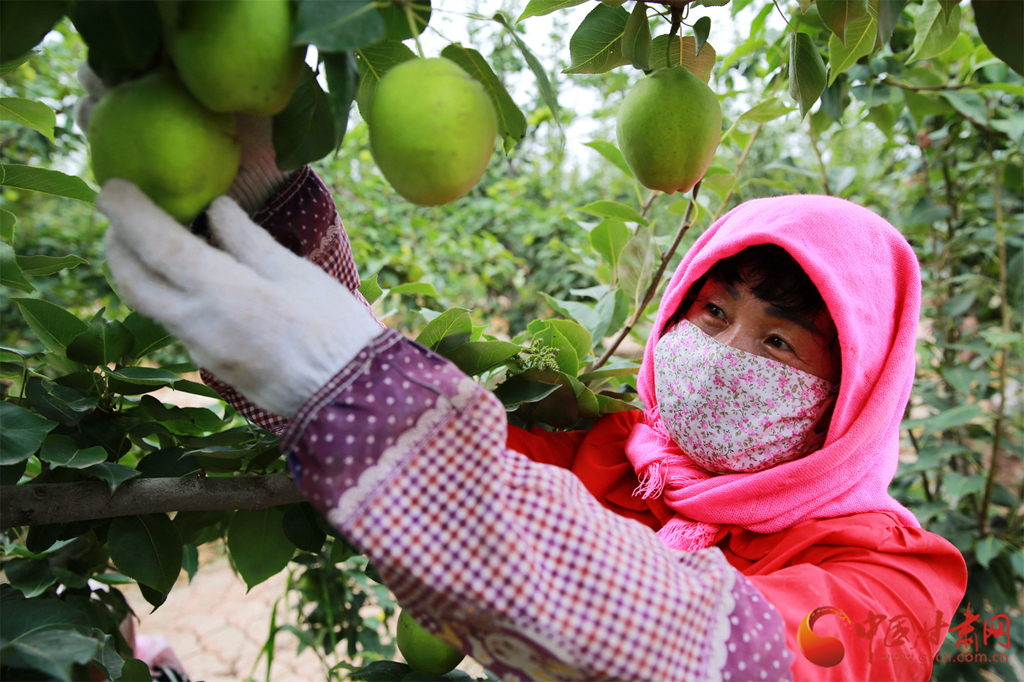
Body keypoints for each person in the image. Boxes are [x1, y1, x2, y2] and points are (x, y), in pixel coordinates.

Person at [90, 90, 966, 680]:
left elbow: (740, 656)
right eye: (712, 314)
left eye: (777, 343)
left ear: (854, 394)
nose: (727, 353)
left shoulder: (895, 585)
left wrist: (370, 394)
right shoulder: (609, 462)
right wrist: (257, 205)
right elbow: (379, 438)